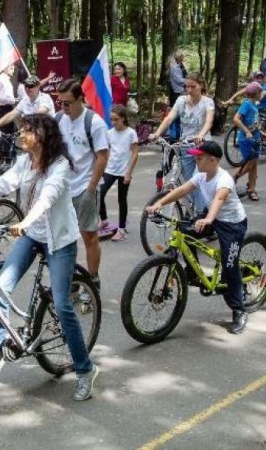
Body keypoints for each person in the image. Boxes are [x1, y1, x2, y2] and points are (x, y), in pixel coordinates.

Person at [0, 114, 99, 401]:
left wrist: (26, 221)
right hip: (31, 236)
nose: (21, 136)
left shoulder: (60, 165)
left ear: (42, 135)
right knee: (0, 289)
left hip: (58, 241)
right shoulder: (24, 162)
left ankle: (85, 369)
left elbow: (48, 198)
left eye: (26, 131)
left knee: (63, 304)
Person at [146, 141, 249, 334]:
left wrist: (208, 219)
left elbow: (219, 199)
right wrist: (159, 203)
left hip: (232, 224)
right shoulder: (201, 175)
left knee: (229, 265)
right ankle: (193, 272)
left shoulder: (224, 180)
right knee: (184, 232)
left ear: (213, 160)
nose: (196, 159)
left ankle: (239, 309)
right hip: (211, 217)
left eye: (199, 158)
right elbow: (182, 190)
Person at [55, 78, 109, 289]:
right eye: (60, 102)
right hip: (63, 189)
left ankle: (93, 279)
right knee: (65, 238)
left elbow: (102, 157)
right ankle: (71, 279)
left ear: (80, 99)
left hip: (85, 187)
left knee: (89, 236)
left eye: (67, 103)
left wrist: (90, 190)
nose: (63, 107)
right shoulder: (59, 118)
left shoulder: (94, 123)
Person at [147, 73, 215, 213]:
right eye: (186, 87)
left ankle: (202, 214)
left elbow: (209, 121)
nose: (189, 90)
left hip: (202, 147)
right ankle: (195, 210)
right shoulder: (181, 101)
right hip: (185, 147)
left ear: (201, 85)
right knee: (188, 182)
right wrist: (157, 133)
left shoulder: (207, 102)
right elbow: (169, 118)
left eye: (193, 86)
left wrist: (201, 135)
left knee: (197, 181)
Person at [98, 105, 139, 242]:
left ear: (123, 119)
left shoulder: (131, 133)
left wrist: (129, 172)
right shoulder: (109, 133)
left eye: (116, 119)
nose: (113, 122)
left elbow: (134, 154)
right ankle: (104, 220)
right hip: (110, 169)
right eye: (111, 119)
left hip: (123, 171)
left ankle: (121, 230)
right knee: (99, 194)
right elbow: (107, 152)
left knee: (122, 199)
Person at [230, 82, 264, 201]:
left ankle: (251, 189)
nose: (262, 94)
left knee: (254, 165)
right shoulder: (246, 104)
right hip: (246, 139)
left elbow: (254, 122)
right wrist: (247, 132)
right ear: (256, 93)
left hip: (256, 139)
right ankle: (232, 178)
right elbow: (236, 119)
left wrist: (262, 133)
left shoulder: (254, 105)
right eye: (260, 91)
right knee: (249, 164)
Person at [0, 64, 18, 161]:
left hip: (5, 107)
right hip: (4, 108)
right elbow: (2, 97)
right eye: (11, 69)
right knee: (6, 133)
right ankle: (5, 157)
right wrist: (13, 100)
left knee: (7, 132)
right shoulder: (3, 79)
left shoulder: (3, 78)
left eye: (13, 69)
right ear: (4, 69)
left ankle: (6, 155)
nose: (13, 71)